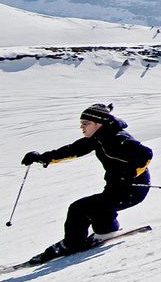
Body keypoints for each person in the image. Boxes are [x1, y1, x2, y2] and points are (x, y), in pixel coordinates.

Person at [21, 103, 153, 263]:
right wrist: (42, 157)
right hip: (116, 189)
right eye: (81, 124)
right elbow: (72, 150)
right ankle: (105, 231)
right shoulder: (98, 138)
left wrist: (130, 175)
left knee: (79, 208)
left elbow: (145, 154)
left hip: (131, 189)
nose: (82, 128)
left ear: (99, 123)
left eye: (86, 124)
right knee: (96, 206)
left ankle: (72, 244)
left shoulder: (117, 138)